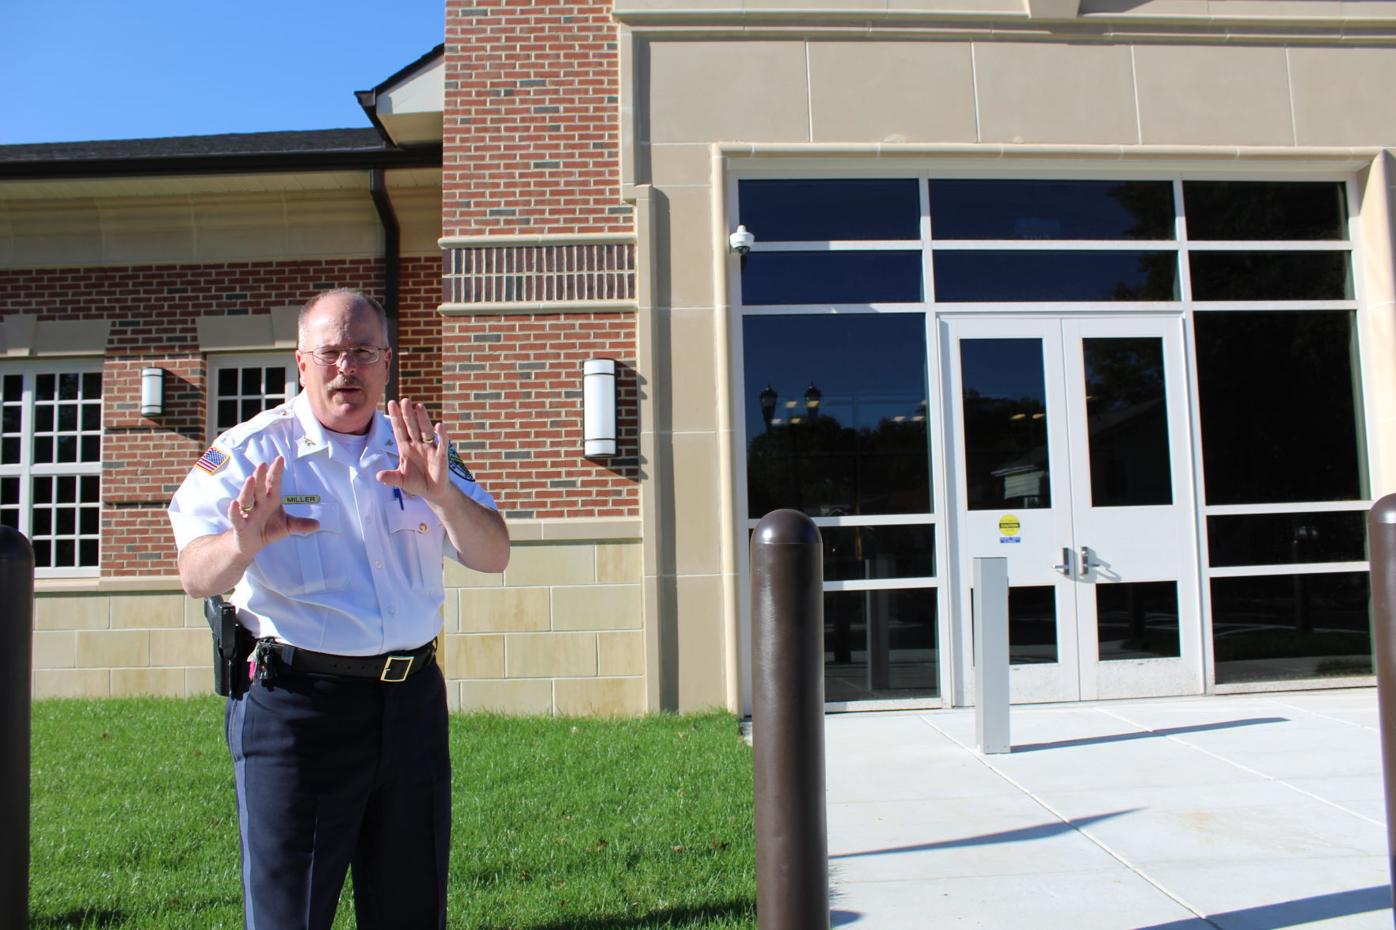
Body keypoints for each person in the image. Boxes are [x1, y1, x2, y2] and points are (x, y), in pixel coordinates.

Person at [168, 288, 510, 930]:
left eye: (362, 352)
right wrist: (241, 543)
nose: (345, 368)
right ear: (301, 363)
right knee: (289, 916)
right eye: (329, 353)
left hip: (410, 706)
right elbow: (193, 574)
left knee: (412, 911)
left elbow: (493, 554)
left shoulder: (422, 449)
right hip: (299, 711)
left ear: (385, 363)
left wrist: (442, 499)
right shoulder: (248, 451)